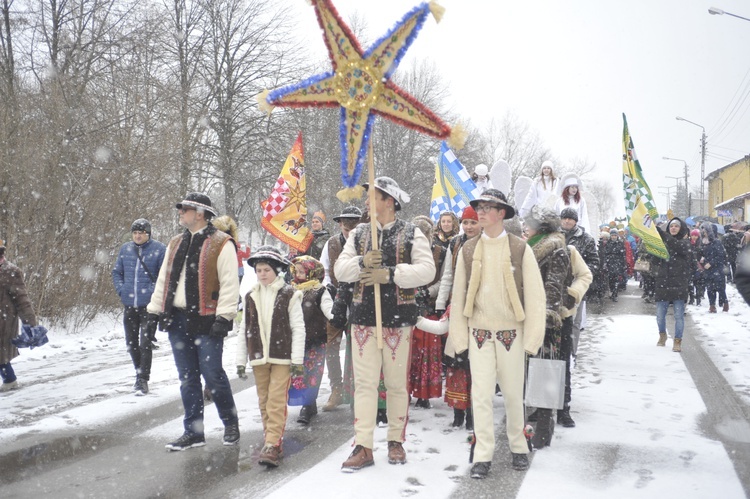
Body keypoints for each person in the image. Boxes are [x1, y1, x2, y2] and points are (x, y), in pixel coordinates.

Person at [334, 176, 435, 472]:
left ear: (389, 202)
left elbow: (427, 271)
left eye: (372, 197)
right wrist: (363, 263)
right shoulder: (359, 233)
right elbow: (340, 270)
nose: (367, 202)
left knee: (395, 385)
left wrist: (390, 274)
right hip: (363, 319)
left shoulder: (412, 232)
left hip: (399, 320)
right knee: (364, 385)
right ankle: (363, 446)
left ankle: (395, 441)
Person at [448, 189, 546, 479]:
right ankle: (483, 453)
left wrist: (532, 339)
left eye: (488, 207)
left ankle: (518, 447)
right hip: (478, 331)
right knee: (480, 395)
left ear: (501, 213)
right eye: (479, 207)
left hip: (510, 334)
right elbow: (458, 294)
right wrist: (459, 337)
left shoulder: (519, 248)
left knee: (514, 394)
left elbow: (536, 296)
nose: (481, 212)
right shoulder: (467, 248)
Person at [147, 192, 240, 451]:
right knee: (187, 378)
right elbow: (163, 281)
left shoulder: (223, 243)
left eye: (184, 209)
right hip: (177, 320)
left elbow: (230, 284)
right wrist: (154, 312)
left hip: (208, 321)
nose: (180, 212)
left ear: (200, 213)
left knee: (213, 376)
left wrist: (224, 317)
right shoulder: (175, 242)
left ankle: (230, 424)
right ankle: (194, 432)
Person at [236, 246, 305, 467]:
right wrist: (240, 360)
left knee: (276, 400)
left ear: (276, 270)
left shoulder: (290, 294)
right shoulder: (250, 296)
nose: (262, 274)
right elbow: (243, 330)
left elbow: (298, 328)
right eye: (258, 270)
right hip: (258, 356)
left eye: (266, 269)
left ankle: (273, 444)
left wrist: (297, 360)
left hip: (282, 356)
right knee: (264, 400)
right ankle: (270, 440)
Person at [523, 206, 572, 447]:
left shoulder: (556, 249)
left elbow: (554, 284)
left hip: (546, 319)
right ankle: (534, 413)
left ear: (541, 228)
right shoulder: (530, 246)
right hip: (528, 315)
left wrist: (548, 313)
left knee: (546, 368)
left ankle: (544, 424)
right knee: (532, 367)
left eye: (529, 224)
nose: (525, 228)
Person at [435, 205, 481, 430]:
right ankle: (458, 410)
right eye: (466, 222)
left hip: (481, 310)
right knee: (456, 360)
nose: (469, 226)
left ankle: (474, 411)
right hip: (457, 307)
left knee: (476, 363)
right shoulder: (455, 244)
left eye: (473, 222)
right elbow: (447, 276)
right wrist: (440, 303)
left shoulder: (487, 242)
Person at [111, 218, 166, 395]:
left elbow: (164, 277)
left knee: (145, 343)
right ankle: (138, 372)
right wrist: (122, 290)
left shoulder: (159, 250)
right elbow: (117, 272)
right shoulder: (126, 249)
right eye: (135, 233)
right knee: (131, 343)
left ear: (148, 234)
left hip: (149, 306)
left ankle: (143, 380)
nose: (137, 236)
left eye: (140, 233)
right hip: (129, 304)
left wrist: (153, 293)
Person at [319, 206, 362, 412]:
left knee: (358, 346)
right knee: (331, 346)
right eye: (346, 227)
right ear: (340, 225)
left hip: (360, 299)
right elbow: (323, 269)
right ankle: (336, 388)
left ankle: (356, 389)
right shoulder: (331, 243)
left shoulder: (366, 241)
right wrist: (330, 287)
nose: (349, 231)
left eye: (353, 226)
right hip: (336, 299)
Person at [288, 255, 333, 425]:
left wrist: (334, 317)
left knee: (312, 373)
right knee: (298, 373)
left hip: (314, 338)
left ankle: (307, 405)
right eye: (297, 271)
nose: (299, 275)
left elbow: (328, 308)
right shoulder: (291, 289)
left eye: (302, 271)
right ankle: (307, 402)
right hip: (295, 339)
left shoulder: (319, 290)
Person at [409, 215, 446, 409]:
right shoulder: (405, 250)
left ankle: (423, 394)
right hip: (406, 306)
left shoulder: (440, 251)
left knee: (425, 353)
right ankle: (405, 391)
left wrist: (426, 292)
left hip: (429, 307)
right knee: (409, 353)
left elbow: (444, 279)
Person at [0, 238, 40, 392]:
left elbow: (22, 299)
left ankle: (10, 380)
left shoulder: (11, 271)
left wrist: (30, 322)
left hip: (4, 320)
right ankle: (9, 379)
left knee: (1, 355)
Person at [559, 208, 599, 360]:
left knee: (574, 322)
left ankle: (571, 353)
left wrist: (581, 276)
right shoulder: (554, 236)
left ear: (576, 221)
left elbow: (594, 262)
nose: (567, 221)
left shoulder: (586, 239)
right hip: (557, 286)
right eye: (564, 218)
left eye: (570, 218)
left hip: (577, 287)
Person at [653, 218, 692, 352]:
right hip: (663, 283)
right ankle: (662, 335)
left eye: (676, 226)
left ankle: (677, 341)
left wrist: (662, 234)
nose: (673, 228)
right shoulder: (664, 242)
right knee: (659, 315)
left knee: (678, 316)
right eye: (671, 226)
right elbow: (655, 260)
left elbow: (677, 246)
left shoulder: (685, 242)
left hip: (679, 285)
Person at [700, 225, 729, 313]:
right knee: (710, 288)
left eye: (705, 231)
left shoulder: (716, 242)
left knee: (720, 287)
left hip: (717, 269)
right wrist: (703, 260)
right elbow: (702, 254)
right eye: (703, 232)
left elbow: (720, 256)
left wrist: (711, 263)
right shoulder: (703, 243)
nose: (703, 233)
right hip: (707, 269)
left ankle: (725, 303)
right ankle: (712, 306)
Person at [603, 229, 626, 301]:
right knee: (610, 279)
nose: (614, 237)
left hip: (617, 263)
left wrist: (623, 264)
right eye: (612, 235)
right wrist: (606, 262)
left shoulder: (620, 243)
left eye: (615, 235)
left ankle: (614, 294)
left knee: (616, 279)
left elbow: (623, 254)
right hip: (610, 263)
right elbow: (605, 253)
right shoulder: (608, 243)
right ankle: (612, 290)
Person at [688, 229, 705, 306]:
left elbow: (704, 254)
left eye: (696, 235)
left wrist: (702, 258)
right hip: (690, 267)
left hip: (699, 267)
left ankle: (698, 300)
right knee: (690, 284)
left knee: (698, 284)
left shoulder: (701, 244)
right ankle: (691, 299)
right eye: (693, 235)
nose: (694, 237)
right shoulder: (688, 244)